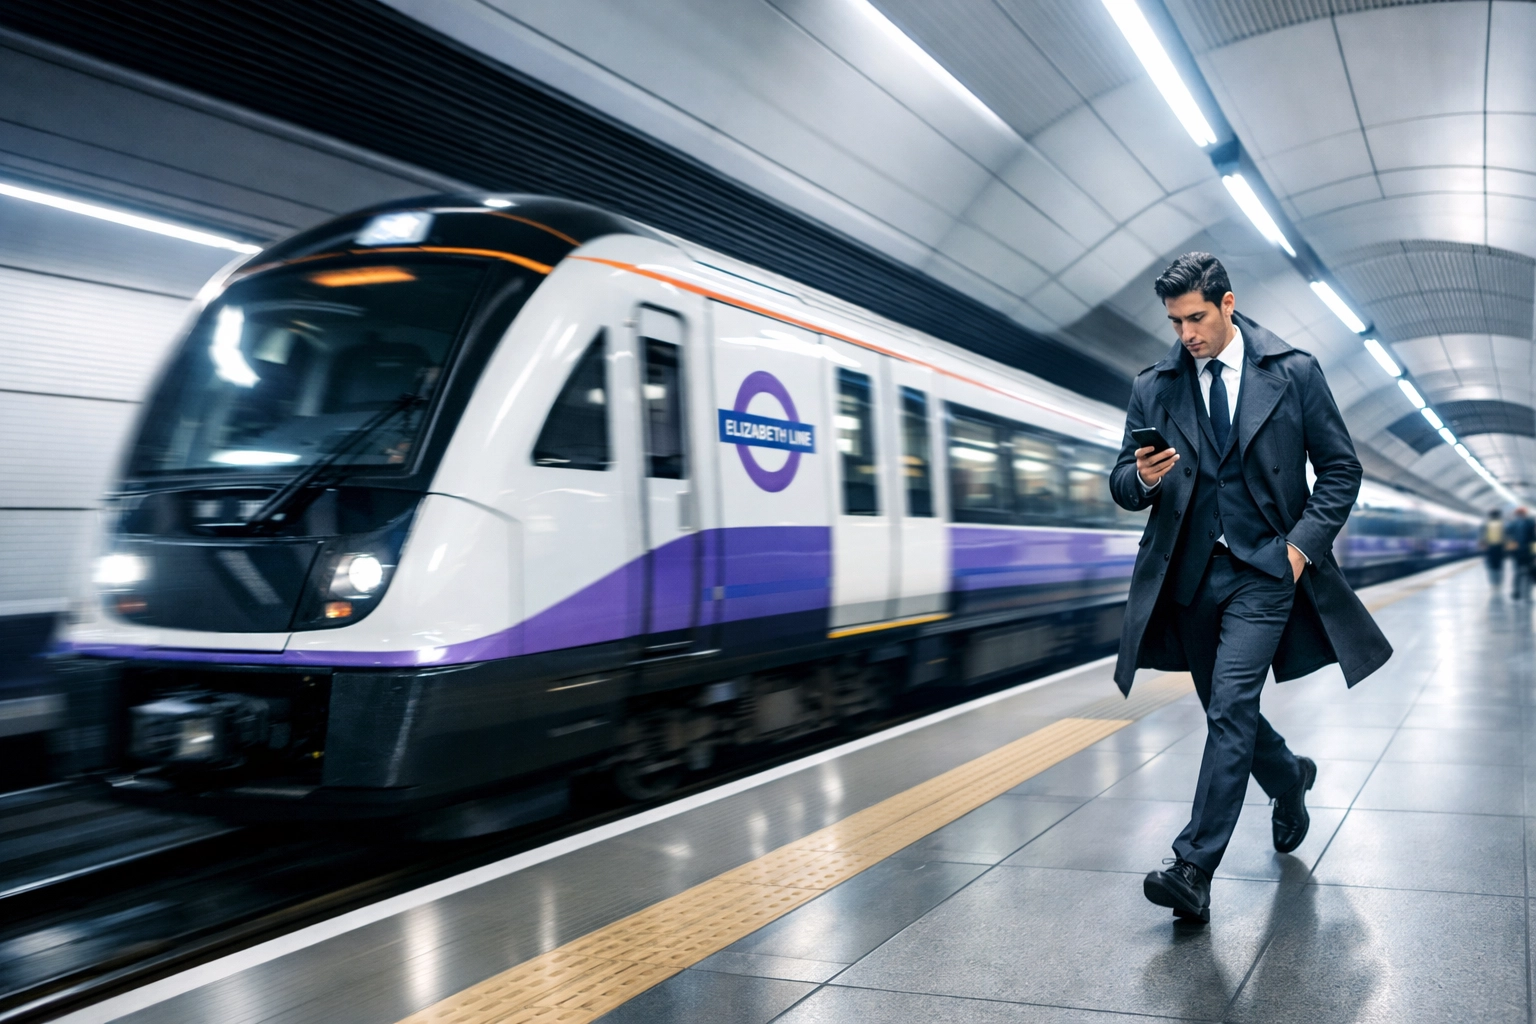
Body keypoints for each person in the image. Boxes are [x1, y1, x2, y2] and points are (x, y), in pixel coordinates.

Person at [1110, 252, 1391, 924]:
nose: (1187, 334)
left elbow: (1340, 473)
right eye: (1176, 321)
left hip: (1266, 571)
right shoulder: (1155, 386)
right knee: (1225, 713)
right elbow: (1121, 483)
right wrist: (1144, 476)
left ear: (1228, 305)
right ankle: (1289, 779)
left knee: (1232, 704)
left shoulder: (1292, 374)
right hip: (1190, 578)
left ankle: (1192, 867)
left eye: (1197, 317)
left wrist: (1298, 550)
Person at [1508, 507, 1535, 601]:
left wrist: (1511, 553)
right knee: (1529, 573)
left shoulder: (1512, 525)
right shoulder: (1531, 523)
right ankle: (1527, 593)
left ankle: (1516, 592)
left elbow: (1511, 539)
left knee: (1517, 573)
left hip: (1517, 553)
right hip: (1528, 553)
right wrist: (1534, 554)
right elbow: (1533, 540)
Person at [1481, 510, 1506, 586]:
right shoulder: (1501, 525)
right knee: (1499, 566)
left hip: (1490, 548)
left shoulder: (1487, 525)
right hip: (1499, 548)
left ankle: (1493, 582)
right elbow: (1505, 537)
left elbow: (1483, 538)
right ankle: (1498, 582)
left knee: (1491, 566)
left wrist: (1483, 547)